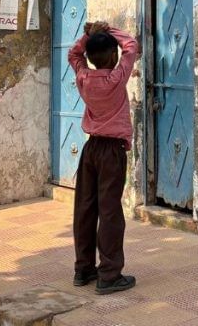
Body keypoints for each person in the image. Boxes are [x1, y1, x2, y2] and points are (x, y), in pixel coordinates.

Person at [67, 20, 139, 294]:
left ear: (91, 58)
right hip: (112, 151)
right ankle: (109, 274)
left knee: (85, 208)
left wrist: (88, 35)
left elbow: (73, 54)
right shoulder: (116, 79)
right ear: (112, 56)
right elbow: (131, 45)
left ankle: (83, 268)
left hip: (91, 149)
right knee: (109, 211)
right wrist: (108, 30)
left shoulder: (83, 78)